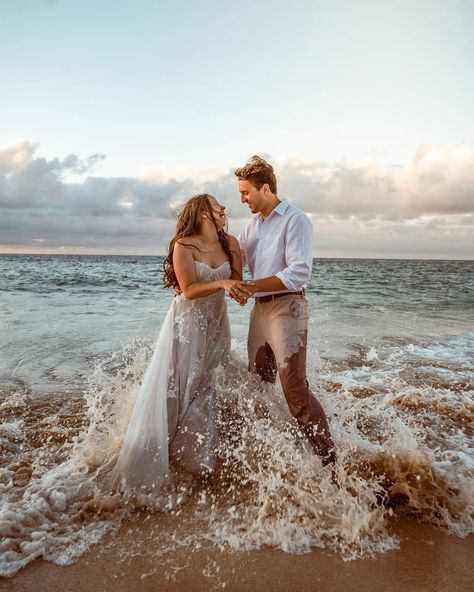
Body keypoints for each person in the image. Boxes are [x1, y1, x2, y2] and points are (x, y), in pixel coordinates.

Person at [110, 194, 248, 493]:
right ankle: (165, 456)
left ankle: (199, 459)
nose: (223, 208)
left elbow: (236, 281)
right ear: (201, 214)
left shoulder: (232, 244)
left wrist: (246, 291)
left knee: (208, 384)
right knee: (180, 386)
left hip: (216, 322)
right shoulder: (183, 246)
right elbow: (188, 290)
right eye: (216, 206)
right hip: (186, 324)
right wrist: (222, 283)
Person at [233, 156, 336, 466]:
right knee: (258, 384)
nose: (243, 199)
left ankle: (330, 461)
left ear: (265, 188)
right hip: (260, 310)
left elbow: (299, 272)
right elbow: (232, 256)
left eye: (246, 192)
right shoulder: (251, 226)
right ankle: (272, 457)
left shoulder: (296, 220)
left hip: (288, 306)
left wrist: (251, 286)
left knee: (294, 389)